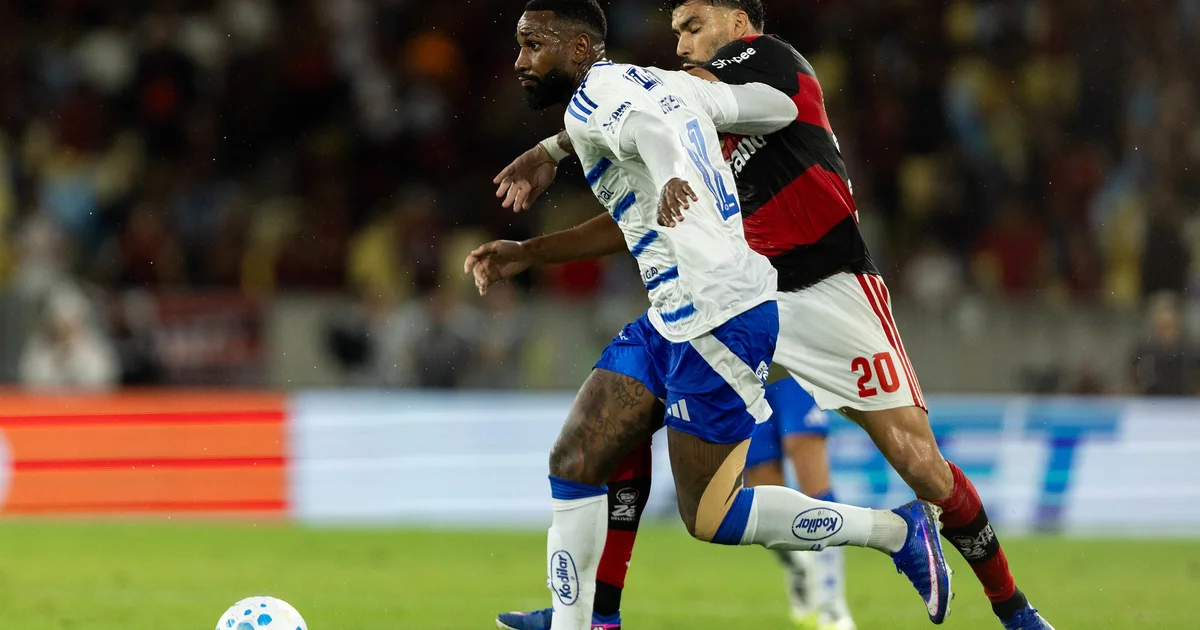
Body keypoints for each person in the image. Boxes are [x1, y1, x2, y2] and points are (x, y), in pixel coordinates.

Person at [481, 2, 1052, 629]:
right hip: (730, 289)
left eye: (693, 25)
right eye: (673, 32)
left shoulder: (771, 61)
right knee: (606, 432)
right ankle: (592, 614)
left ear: (736, 20)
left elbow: (651, 102)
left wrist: (562, 142)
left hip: (823, 286)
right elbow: (639, 190)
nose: (681, 42)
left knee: (919, 465)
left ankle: (1014, 610)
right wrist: (552, 166)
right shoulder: (690, 105)